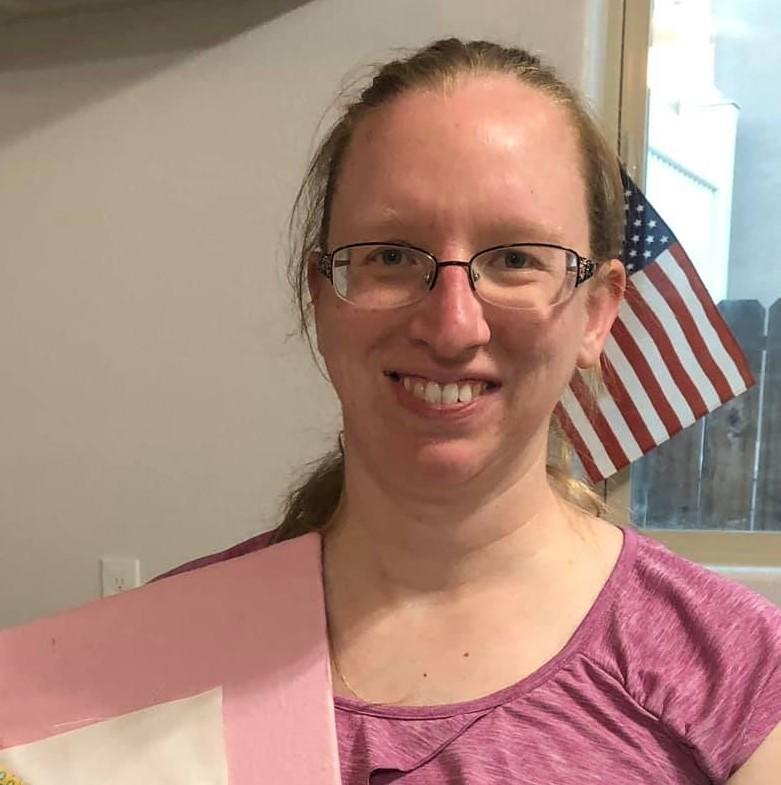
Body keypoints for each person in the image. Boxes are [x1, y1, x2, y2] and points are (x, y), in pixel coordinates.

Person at [164, 38, 781, 784]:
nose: (453, 326)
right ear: (322, 295)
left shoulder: (744, 681)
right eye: (392, 256)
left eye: (515, 259)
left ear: (596, 313)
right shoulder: (155, 654)